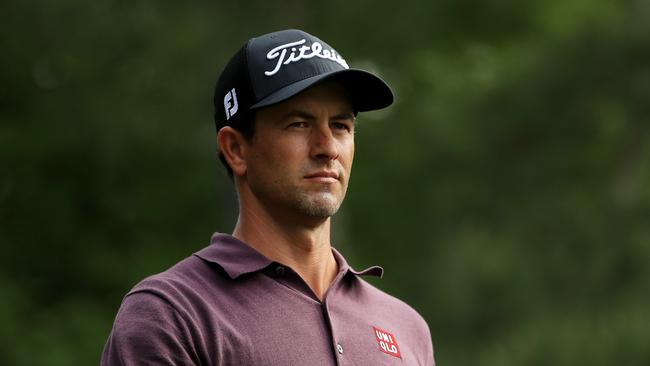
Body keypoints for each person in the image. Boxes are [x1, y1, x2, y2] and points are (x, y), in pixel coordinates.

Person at [101, 29, 435, 366]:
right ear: (236, 149)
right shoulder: (174, 315)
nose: (328, 148)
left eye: (340, 126)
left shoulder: (406, 327)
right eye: (298, 124)